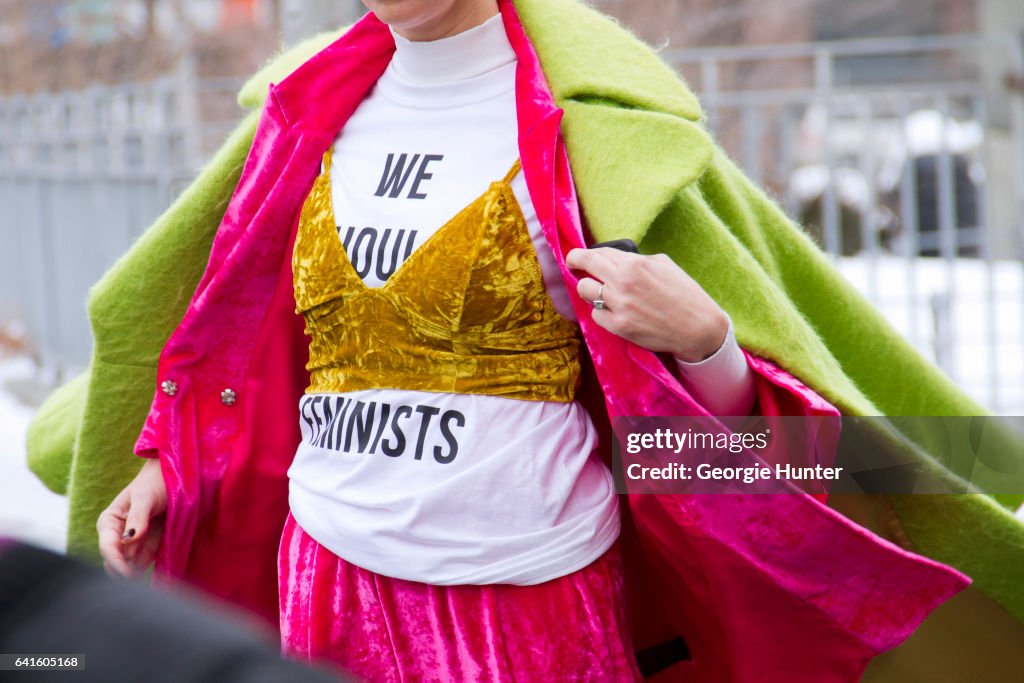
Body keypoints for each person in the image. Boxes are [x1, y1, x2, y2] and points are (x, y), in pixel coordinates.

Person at [26, 0, 1023, 680]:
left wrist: (708, 342)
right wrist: (170, 462)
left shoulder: (593, 123)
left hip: (528, 601)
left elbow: (699, 442)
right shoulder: (300, 115)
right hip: (321, 578)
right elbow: (244, 342)